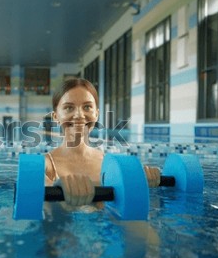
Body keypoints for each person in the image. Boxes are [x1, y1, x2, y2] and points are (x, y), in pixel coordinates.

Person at [45, 78, 160, 207]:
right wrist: (56, 186)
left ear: (96, 114)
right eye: (69, 108)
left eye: (87, 107)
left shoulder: (111, 164)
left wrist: (143, 180)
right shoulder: (46, 165)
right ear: (55, 117)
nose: (79, 115)